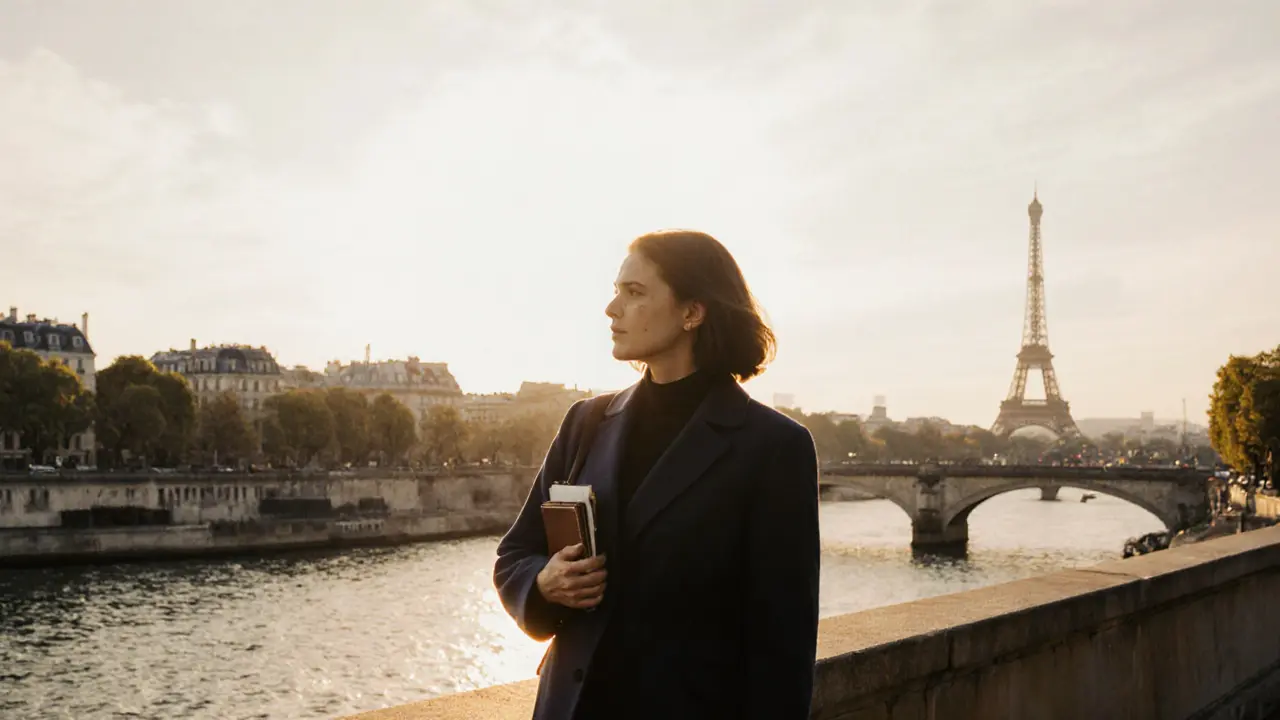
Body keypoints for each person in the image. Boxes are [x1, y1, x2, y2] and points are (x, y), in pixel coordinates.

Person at [493, 229, 821, 720]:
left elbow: (783, 645)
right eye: (616, 289)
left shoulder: (774, 447)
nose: (611, 308)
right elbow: (515, 555)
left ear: (693, 311)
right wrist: (543, 584)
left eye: (634, 292)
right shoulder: (585, 422)